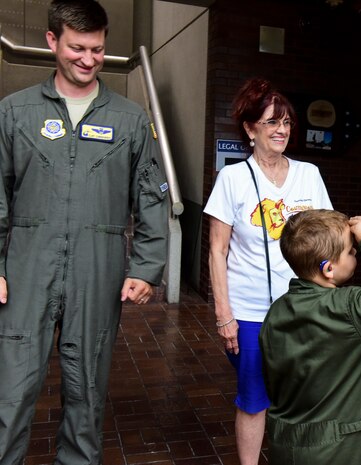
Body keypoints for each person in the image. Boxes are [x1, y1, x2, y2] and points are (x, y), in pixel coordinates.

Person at [0, 1, 169, 463]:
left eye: (97, 48)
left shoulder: (131, 119)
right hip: (27, 266)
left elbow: (151, 197)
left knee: (86, 391)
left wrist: (147, 268)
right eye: (77, 47)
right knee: (10, 392)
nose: (88, 59)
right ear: (52, 41)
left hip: (99, 267)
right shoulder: (15, 112)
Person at [204, 77, 332, 465]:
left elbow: (328, 239)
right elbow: (217, 249)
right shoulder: (233, 178)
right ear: (249, 128)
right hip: (250, 313)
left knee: (301, 397)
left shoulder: (308, 174)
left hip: (301, 311)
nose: (281, 131)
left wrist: (325, 301)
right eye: (271, 122)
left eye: (287, 123)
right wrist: (224, 314)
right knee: (255, 399)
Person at [259, 210, 361, 464]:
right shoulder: (348, 308)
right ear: (328, 268)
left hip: (287, 445)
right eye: (350, 251)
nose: (356, 252)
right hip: (339, 451)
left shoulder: (278, 310)